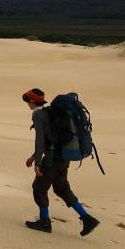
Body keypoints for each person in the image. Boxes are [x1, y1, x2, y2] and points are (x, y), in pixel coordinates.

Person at [22, 88, 100, 236]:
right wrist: (34, 156)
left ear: (32, 101)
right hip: (63, 157)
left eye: (27, 101)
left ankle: (44, 222)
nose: (27, 104)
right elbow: (49, 137)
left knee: (39, 188)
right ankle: (87, 218)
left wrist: (37, 163)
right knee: (62, 189)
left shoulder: (38, 115)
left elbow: (40, 139)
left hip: (52, 159)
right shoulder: (50, 112)